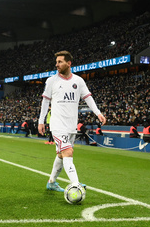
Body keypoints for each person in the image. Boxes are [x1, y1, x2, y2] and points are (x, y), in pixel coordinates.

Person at [38, 50, 106, 192]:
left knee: (61, 155)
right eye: (56, 62)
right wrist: (41, 121)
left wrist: (98, 113)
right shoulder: (51, 81)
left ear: (69, 63)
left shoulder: (78, 81)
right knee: (68, 152)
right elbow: (45, 102)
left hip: (71, 125)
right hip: (57, 125)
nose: (56, 64)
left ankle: (51, 182)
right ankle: (76, 185)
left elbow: (88, 97)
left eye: (60, 62)